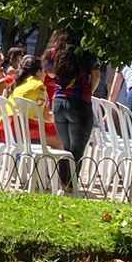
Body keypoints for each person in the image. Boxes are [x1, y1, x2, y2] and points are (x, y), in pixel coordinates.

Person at [49, 39, 98, 194]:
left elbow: (50, 73)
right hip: (79, 101)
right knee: (77, 150)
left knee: (65, 148)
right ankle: (70, 188)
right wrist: (89, 91)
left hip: (58, 101)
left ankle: (63, 187)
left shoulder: (55, 52)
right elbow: (96, 75)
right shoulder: (87, 52)